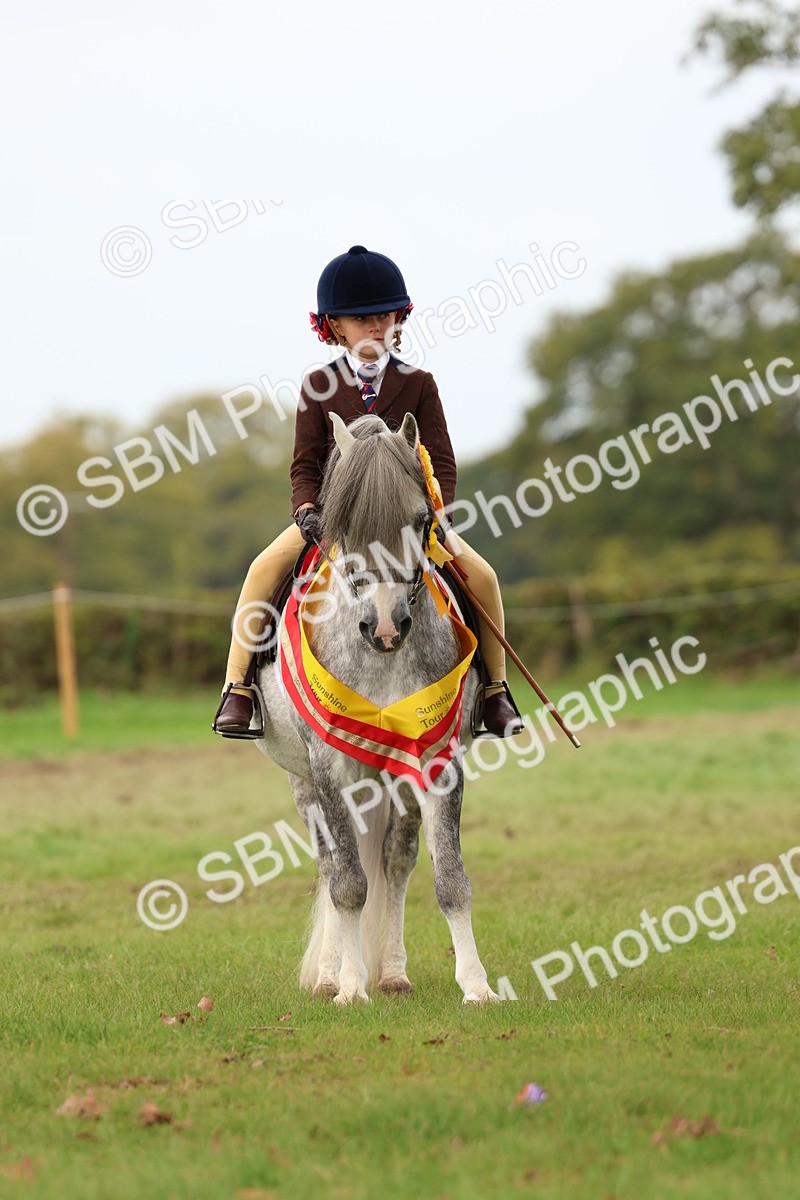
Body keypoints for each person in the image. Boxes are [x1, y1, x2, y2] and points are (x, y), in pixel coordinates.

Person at [214, 244, 522, 737]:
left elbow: (441, 460)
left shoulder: (419, 384)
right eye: (362, 321)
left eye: (385, 317)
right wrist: (308, 511)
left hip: (407, 520)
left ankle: (494, 693)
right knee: (262, 570)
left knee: (482, 577)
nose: (376, 328)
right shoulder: (318, 384)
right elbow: (303, 465)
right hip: (337, 522)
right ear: (335, 326)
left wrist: (436, 512)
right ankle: (240, 690)